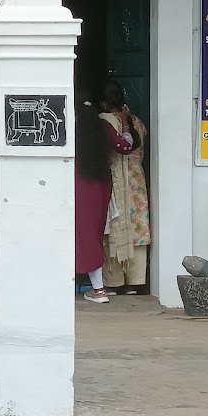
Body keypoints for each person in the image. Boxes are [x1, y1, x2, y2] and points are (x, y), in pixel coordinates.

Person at [75, 99, 133, 303]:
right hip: (101, 184)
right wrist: (125, 123)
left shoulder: (69, 129)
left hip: (77, 184)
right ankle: (97, 288)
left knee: (79, 234)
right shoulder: (103, 127)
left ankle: (98, 290)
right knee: (93, 234)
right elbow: (125, 146)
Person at [99, 81, 151, 295]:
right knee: (137, 227)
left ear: (103, 102)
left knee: (114, 225)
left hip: (115, 181)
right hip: (136, 181)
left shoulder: (105, 120)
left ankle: (114, 282)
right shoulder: (136, 121)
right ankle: (136, 281)